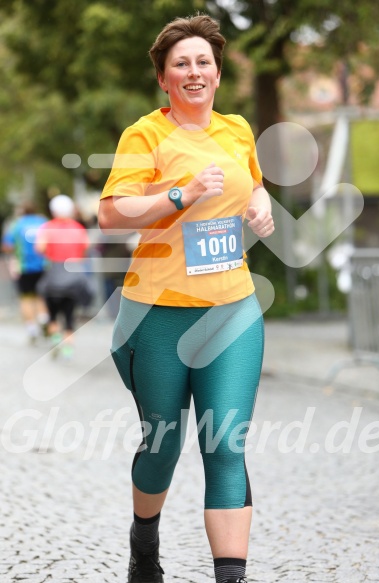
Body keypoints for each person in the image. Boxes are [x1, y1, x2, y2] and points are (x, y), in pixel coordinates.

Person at [98, 14, 274, 583]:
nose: (194, 72)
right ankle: (144, 542)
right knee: (163, 444)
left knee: (225, 444)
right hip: (156, 314)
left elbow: (254, 180)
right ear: (164, 79)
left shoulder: (238, 130)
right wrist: (181, 192)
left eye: (203, 62)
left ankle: (231, 576)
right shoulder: (144, 135)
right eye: (181, 64)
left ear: (218, 74)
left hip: (232, 309)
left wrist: (262, 204)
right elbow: (109, 214)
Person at [35, 194, 91, 359]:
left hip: (54, 275)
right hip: (73, 276)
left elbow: (40, 247)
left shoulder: (47, 227)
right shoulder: (78, 228)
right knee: (69, 314)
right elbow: (86, 246)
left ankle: (55, 339)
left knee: (52, 313)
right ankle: (68, 349)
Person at [1, 201, 49, 343]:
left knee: (26, 298)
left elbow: (7, 246)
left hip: (24, 267)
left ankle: (32, 329)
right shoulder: (43, 222)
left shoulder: (17, 224)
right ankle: (44, 319)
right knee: (41, 296)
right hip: (43, 265)